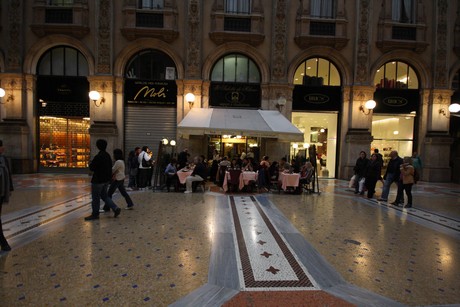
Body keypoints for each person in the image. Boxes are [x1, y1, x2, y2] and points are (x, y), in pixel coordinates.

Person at [85, 139, 121, 221]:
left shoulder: (98, 156)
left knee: (96, 198)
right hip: (105, 180)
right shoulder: (108, 155)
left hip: (97, 180)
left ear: (97, 146)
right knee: (105, 196)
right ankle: (115, 208)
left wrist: (90, 163)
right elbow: (109, 168)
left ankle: (95, 214)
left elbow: (92, 167)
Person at [0, 140, 14, 251]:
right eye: (1, 146)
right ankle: (3, 242)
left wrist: (9, 189)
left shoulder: (3, 159)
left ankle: (3, 242)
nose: (3, 148)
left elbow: (8, 174)